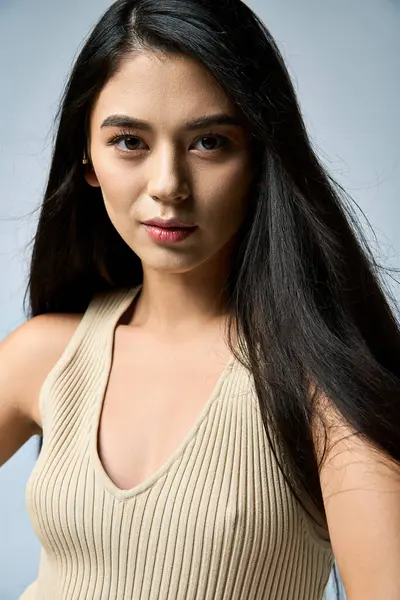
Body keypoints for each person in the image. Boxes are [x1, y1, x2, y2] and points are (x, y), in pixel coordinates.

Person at [1, 0, 399, 598]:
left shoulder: (320, 388)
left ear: (262, 157)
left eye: (210, 142)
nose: (168, 185)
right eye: (130, 141)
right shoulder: (45, 358)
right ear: (87, 156)